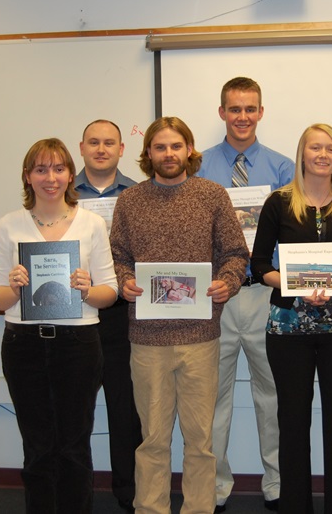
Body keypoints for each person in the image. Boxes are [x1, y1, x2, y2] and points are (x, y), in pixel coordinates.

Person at [110, 116, 249, 514]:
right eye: (159, 147)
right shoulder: (129, 201)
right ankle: (150, 509)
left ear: (189, 150)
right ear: (148, 153)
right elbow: (117, 255)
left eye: (175, 146)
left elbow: (235, 254)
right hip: (147, 340)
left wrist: (227, 282)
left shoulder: (213, 195)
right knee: (152, 440)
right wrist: (124, 280)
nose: (168, 154)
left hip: (200, 338)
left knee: (199, 440)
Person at [251, 123, 332, 513]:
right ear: (302, 154)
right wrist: (296, 285)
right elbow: (259, 266)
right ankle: (295, 507)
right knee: (292, 420)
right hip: (289, 326)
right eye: (315, 148)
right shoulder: (279, 202)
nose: (322, 155)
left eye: (330, 149)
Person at [0, 138, 118, 513]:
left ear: (70, 174)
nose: (50, 177)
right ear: (27, 176)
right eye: (41, 169)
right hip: (23, 344)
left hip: (77, 343)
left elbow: (110, 292)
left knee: (75, 444)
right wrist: (12, 288)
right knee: (37, 444)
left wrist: (88, 289)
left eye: (58, 168)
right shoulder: (9, 224)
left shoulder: (91, 223)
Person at [197, 77, 293, 512]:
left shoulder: (282, 169)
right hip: (213, 295)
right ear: (222, 112)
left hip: (262, 295)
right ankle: (215, 486)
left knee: (270, 393)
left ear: (261, 112)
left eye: (250, 109)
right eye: (234, 109)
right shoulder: (198, 166)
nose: (242, 117)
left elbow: (292, 235)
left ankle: (276, 483)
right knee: (212, 397)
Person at [75, 119, 141, 512]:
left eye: (109, 143)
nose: (101, 149)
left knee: (125, 410)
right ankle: (76, 492)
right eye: (94, 142)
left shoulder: (138, 194)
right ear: (81, 147)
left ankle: (128, 493)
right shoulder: (61, 193)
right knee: (75, 410)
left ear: (121, 149)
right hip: (76, 313)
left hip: (122, 315)